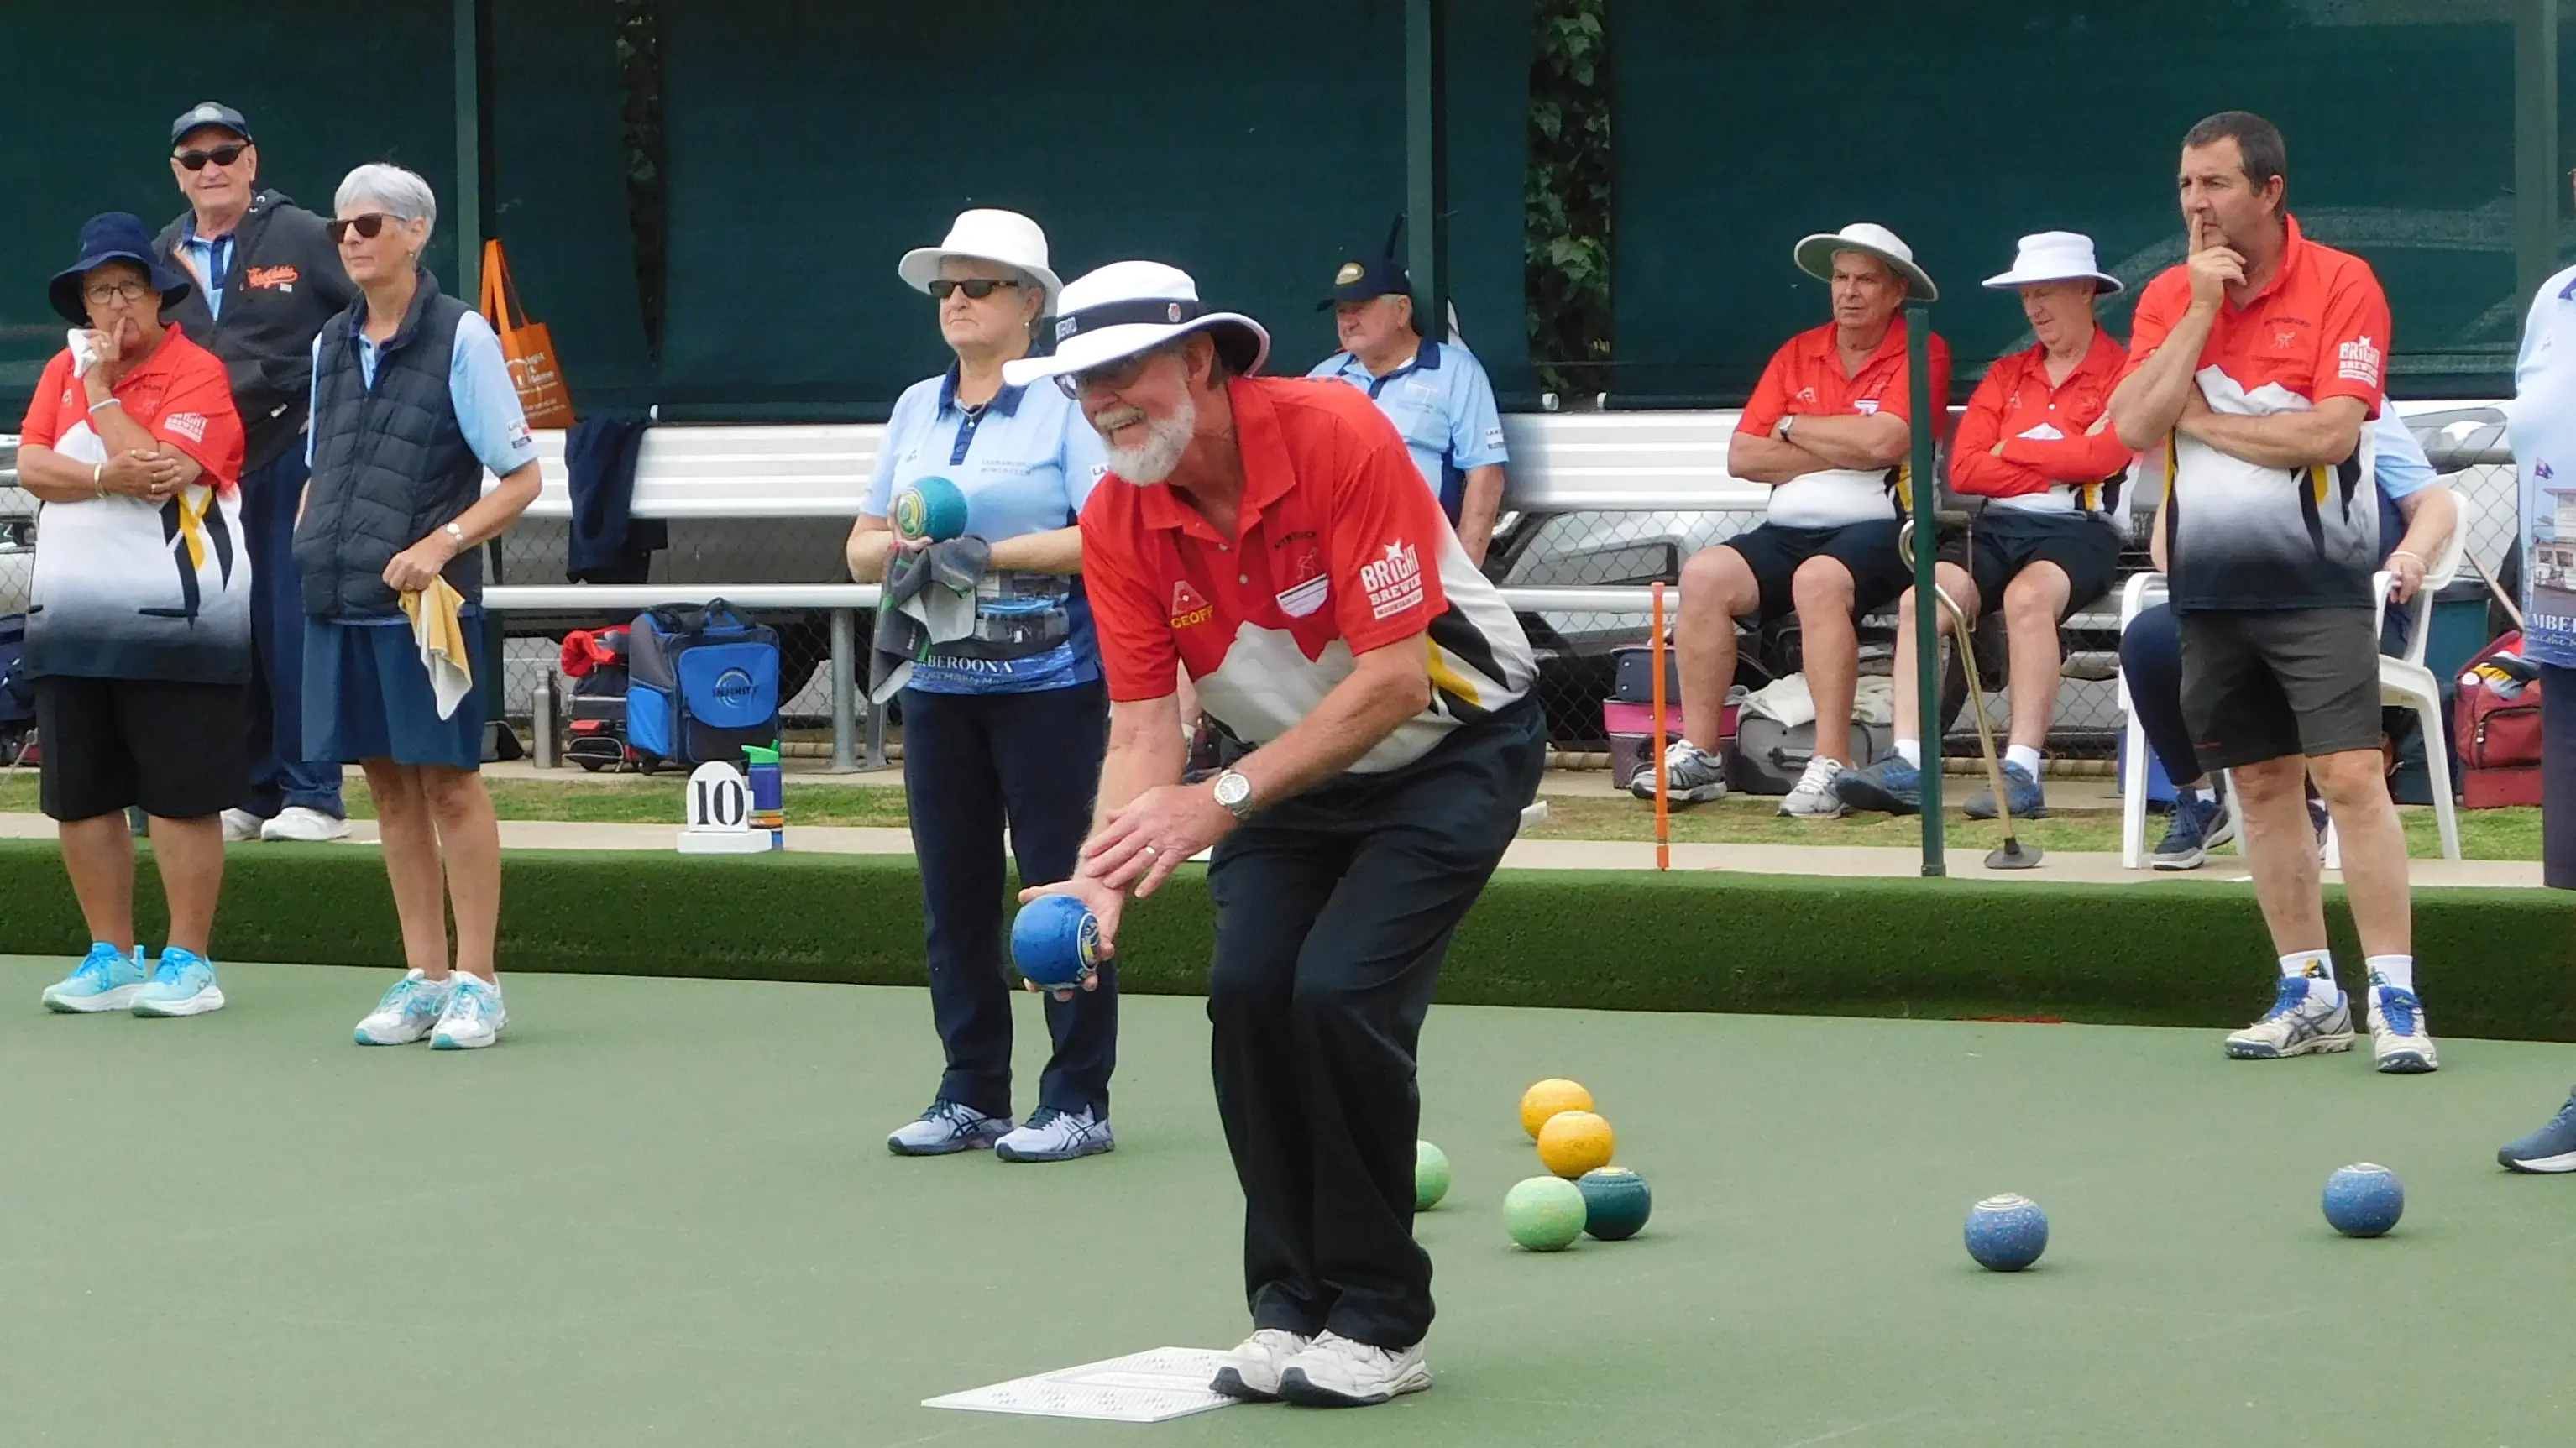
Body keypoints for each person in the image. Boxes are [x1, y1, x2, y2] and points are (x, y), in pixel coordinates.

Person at [1005, 261, 1542, 1408]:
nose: (1103, 402)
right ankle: (1290, 1309)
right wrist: (1098, 883)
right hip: (1288, 783)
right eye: (1080, 383)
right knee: (1250, 990)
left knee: (1339, 993)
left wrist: (1221, 802)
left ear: (1199, 360)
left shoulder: (1336, 432)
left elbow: (1397, 684)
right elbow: (1146, 726)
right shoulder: (1117, 516)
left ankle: (1383, 1322)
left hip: (1451, 754)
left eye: (1123, 373)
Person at [2104, 111, 2432, 1072]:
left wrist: (2199, 424)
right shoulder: (2170, 295)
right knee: (2255, 783)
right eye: (2183, 187)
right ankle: (2307, 989)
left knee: (2348, 777)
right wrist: (2200, 313)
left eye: (2213, 185)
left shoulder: (2341, 283)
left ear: (2267, 191)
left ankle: (2396, 999)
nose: (2194, 206)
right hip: (2206, 587)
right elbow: (2130, 425)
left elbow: (2328, 436)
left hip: (2318, 583)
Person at [843, 210, 1118, 1163]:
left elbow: (1104, 536)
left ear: (1029, 305)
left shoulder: (1066, 404)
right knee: (952, 896)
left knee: (1059, 892)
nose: (955, 301)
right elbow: (860, 543)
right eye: (944, 288)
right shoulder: (916, 405)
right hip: (938, 687)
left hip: (1052, 688)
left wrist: (981, 554)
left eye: (979, 285)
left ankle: (1079, 1099)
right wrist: (897, 550)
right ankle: (972, 1094)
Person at [297, 165, 542, 1050]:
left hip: (429, 607)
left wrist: (442, 543)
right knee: (386, 791)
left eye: (367, 224)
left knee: (449, 784)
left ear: (411, 232)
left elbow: (521, 479)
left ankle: (478, 981)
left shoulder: (463, 335)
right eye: (341, 227)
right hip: (339, 599)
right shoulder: (328, 344)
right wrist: (305, 555)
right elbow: (323, 472)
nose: (351, 239)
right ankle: (423, 976)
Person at [16, 213, 248, 1017]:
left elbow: (160, 471)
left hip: (179, 618)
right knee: (80, 794)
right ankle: (111, 954)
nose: (111, 308)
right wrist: (101, 470)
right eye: (96, 293)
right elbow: (36, 464)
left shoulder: (199, 373)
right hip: (72, 615)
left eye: (125, 289)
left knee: (182, 794)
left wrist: (103, 393)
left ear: (158, 297)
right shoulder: (60, 370)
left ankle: (190, 961)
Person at [1640, 222, 1950, 815]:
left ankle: (1831, 762)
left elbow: (1887, 442)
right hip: (1787, 531)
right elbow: (1742, 456)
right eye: (1840, 277)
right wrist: (1842, 442)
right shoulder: (1798, 350)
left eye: (1866, 279)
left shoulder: (1922, 348)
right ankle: (1702, 755)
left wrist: (1791, 426)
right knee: (1704, 575)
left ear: (1896, 293)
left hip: (1889, 530)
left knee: (1818, 580)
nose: (1849, 291)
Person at [1838, 233, 2132, 819]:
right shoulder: (2008, 372)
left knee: (2027, 600)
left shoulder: (2124, 370)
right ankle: (1909, 763)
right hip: (1995, 527)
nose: (2034, 308)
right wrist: (2059, 456)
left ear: (2086, 292)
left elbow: (2106, 458)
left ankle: (2022, 768)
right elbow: (1969, 468)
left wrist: (2015, 447)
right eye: (2026, 295)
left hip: (2083, 528)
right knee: (1924, 599)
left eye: (2045, 293)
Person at [2120, 416, 2456, 868]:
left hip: (2349, 606)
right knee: (2148, 640)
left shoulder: (2353, 403)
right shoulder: (2208, 402)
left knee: (2293, 643)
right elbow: (2167, 553)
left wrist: (2411, 555)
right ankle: (2199, 797)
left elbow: (2434, 501)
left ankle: (2310, 801)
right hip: (2231, 604)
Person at [155, 101, 359, 844]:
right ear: (178, 175)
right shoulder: (160, 254)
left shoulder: (303, 235)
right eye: (194, 159)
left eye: (224, 153)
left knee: (289, 625)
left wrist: (332, 423)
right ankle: (253, 787)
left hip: (288, 460)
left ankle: (316, 792)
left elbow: (375, 316)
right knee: (229, 631)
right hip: (200, 472)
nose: (211, 169)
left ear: (251, 160)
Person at [1306, 255, 1510, 564]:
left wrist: (1467, 563)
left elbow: (1486, 473)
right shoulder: (1321, 377)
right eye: (1341, 311)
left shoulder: (1455, 371)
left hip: (1421, 556)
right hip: (1334, 556)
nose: (1348, 321)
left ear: (1401, 310)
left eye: (1359, 308)